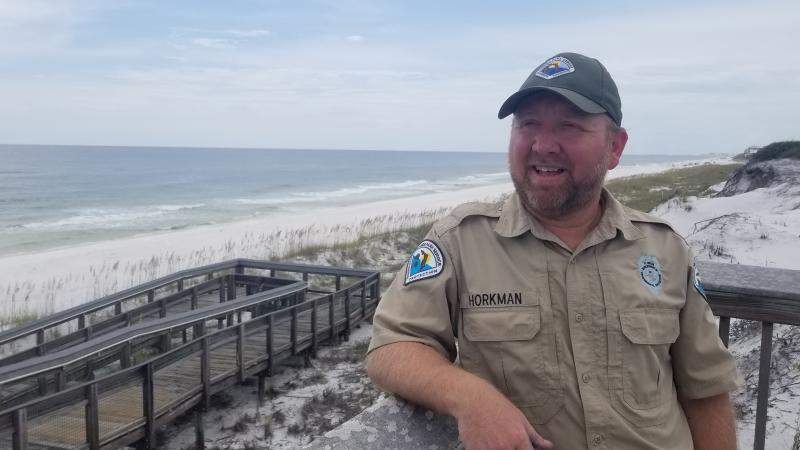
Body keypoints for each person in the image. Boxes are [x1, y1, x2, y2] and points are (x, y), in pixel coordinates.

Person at [366, 52, 742, 450]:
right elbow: (392, 346)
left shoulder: (665, 249)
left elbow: (706, 391)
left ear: (615, 147)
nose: (543, 145)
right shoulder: (461, 240)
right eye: (528, 125)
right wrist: (471, 398)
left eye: (569, 126)